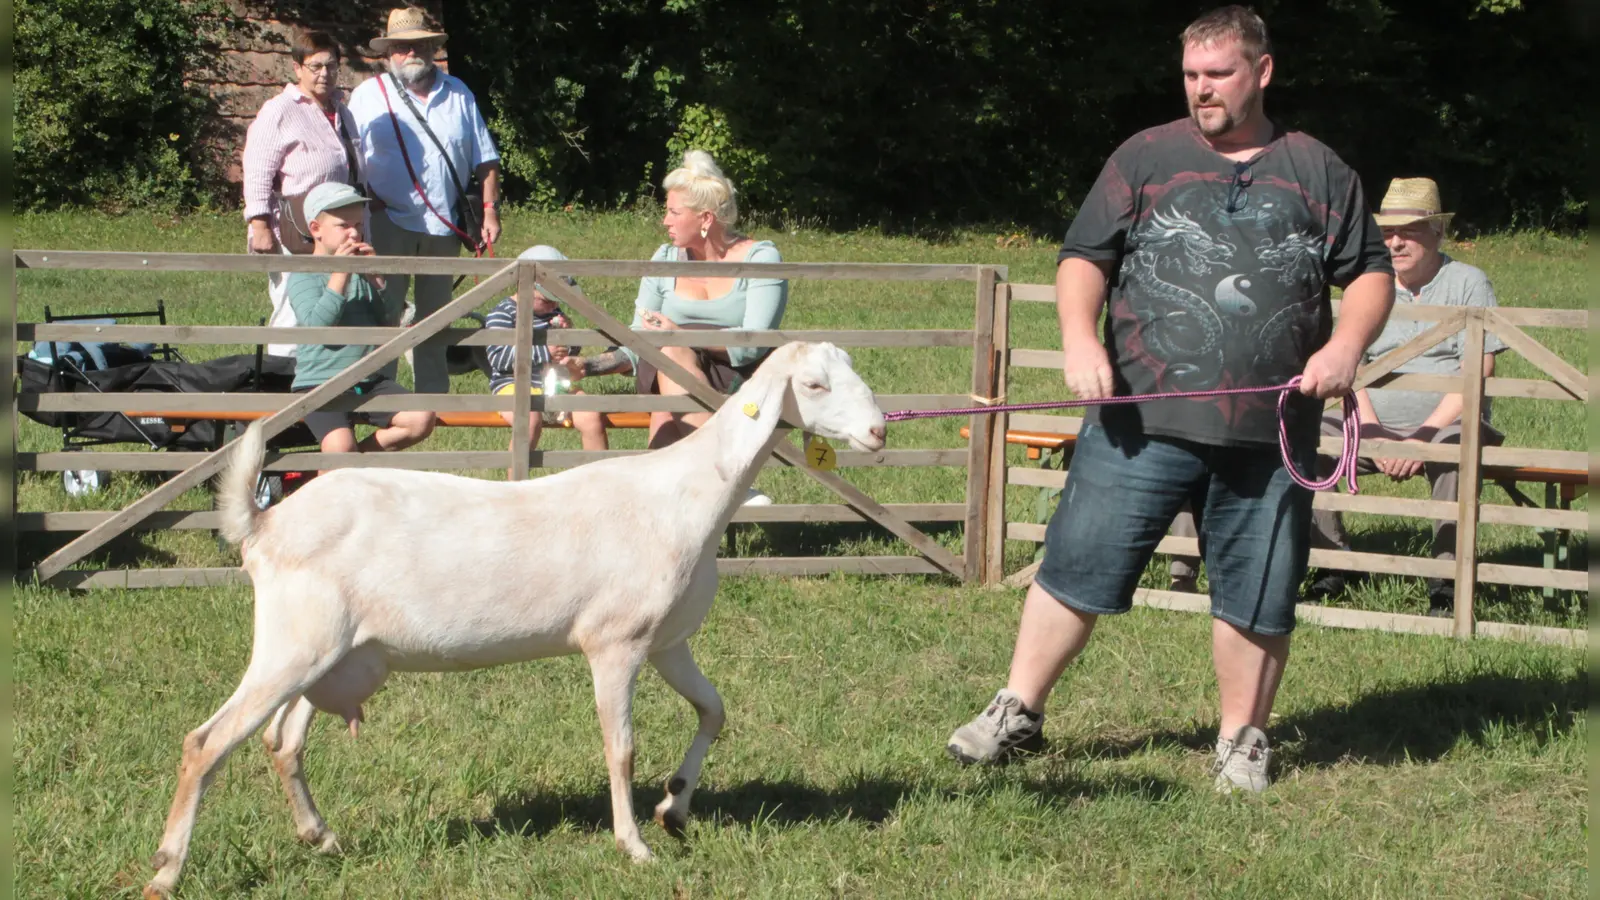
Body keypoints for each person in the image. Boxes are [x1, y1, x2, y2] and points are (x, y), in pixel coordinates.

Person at [944, 6, 1395, 792]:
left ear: (1262, 71)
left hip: (1271, 431)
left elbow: (1371, 273)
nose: (1201, 89)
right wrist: (1082, 343)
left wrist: (1344, 348)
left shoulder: (1320, 170)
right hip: (1138, 423)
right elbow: (1084, 257)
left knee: (1257, 586)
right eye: (1190, 75)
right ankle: (1017, 708)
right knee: (1075, 563)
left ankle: (1242, 740)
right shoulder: (1144, 156)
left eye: (1217, 73)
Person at [1303, 177, 1507, 615]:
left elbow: (1480, 370)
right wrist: (1373, 429)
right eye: (1387, 233)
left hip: (1446, 422)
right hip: (1369, 418)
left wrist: (1422, 436)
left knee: (1455, 450)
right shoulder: (1368, 284)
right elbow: (1351, 361)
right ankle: (1333, 564)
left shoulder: (1468, 281)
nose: (1395, 242)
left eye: (1409, 231)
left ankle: (1448, 584)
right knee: (1309, 439)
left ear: (1437, 232)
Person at [580, 150, 787, 505]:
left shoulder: (760, 258)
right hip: (669, 374)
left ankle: (716, 483)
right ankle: (729, 482)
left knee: (669, 368)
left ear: (705, 218)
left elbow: (752, 345)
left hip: (736, 378)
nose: (664, 221)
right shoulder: (663, 261)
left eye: (674, 212)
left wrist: (682, 335)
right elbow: (637, 342)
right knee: (668, 358)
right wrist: (585, 366)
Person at [348, 7, 502, 395]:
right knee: (383, 314)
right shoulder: (368, 96)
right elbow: (349, 158)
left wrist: (489, 209)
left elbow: (486, 158)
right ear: (388, 54)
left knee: (437, 319)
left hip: (443, 225)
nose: (410, 53)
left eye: (419, 45)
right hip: (387, 223)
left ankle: (432, 400)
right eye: (401, 47)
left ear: (433, 48)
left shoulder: (459, 93)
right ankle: (380, 397)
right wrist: (367, 206)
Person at [286, 182, 437, 456]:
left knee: (421, 418)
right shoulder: (304, 273)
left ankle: (357, 467)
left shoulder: (362, 269)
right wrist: (340, 275)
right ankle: (333, 483)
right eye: (343, 226)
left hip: (369, 380)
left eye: (358, 224)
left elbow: (389, 320)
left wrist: (378, 281)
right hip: (321, 382)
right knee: (339, 446)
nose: (354, 233)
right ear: (315, 230)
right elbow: (318, 327)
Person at [240, 29, 362, 358]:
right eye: (316, 66)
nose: (325, 74)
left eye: (332, 66)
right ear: (297, 68)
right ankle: (282, 390)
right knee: (292, 310)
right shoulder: (279, 110)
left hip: (334, 230)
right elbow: (257, 169)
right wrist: (260, 225)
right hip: (292, 233)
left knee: (330, 304)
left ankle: (320, 386)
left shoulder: (342, 113)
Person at [483, 245, 610, 476]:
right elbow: (498, 358)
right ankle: (515, 485)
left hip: (554, 385)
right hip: (512, 385)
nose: (553, 305)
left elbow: (565, 352)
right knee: (528, 419)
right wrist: (545, 352)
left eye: (558, 300)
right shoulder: (503, 314)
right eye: (547, 299)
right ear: (524, 286)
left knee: (592, 414)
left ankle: (598, 480)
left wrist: (568, 338)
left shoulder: (552, 313)